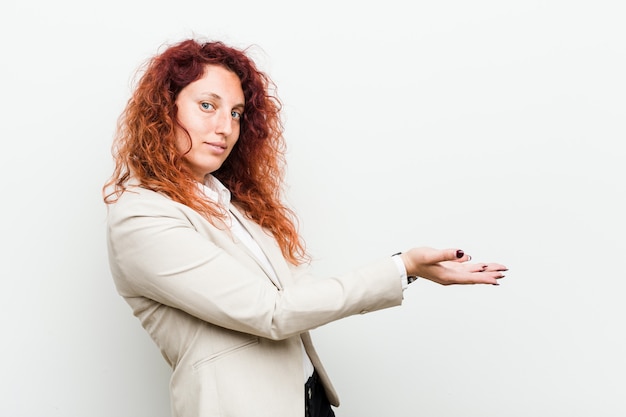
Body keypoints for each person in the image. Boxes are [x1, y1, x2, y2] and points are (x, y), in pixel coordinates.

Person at [103, 38, 508, 417]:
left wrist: (409, 272)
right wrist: (404, 267)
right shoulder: (140, 217)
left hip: (307, 399)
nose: (225, 127)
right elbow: (272, 311)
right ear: (164, 109)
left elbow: (298, 294)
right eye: (207, 105)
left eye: (236, 113)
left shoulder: (226, 203)